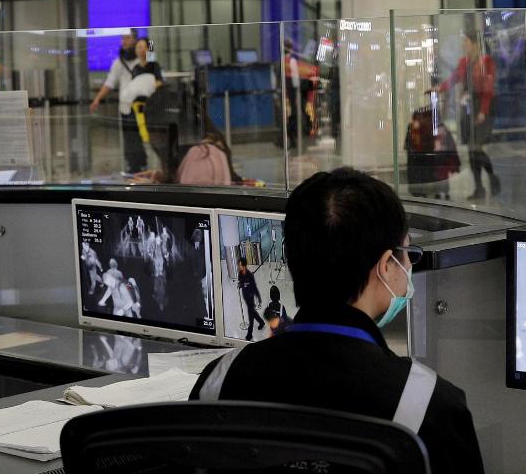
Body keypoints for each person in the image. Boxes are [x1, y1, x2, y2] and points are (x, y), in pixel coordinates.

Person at [190, 168, 485, 474]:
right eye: (407, 253)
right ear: (385, 265)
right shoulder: (428, 406)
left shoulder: (219, 382)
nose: (409, 265)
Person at [433, 25, 499, 201]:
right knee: (471, 150)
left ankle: (492, 178)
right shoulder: (464, 62)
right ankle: (479, 187)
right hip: (468, 109)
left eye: (466, 42)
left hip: (483, 108)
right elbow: (454, 78)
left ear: (475, 44)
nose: (464, 45)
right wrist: (439, 88)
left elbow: (488, 91)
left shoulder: (486, 62)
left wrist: (483, 112)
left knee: (476, 148)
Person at [90, 32, 147, 174]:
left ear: (135, 40)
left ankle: (144, 163)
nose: (124, 41)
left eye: (128, 38)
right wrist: (98, 98)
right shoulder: (119, 62)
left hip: (144, 106)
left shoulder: (143, 59)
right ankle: (133, 166)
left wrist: (148, 41)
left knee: (145, 135)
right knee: (129, 137)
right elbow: (109, 83)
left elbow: (152, 54)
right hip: (127, 106)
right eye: (122, 38)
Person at [237, 258, 265, 341]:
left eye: (241, 265)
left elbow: (254, 287)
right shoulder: (240, 273)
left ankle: (249, 334)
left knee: (250, 316)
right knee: (253, 312)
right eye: (239, 265)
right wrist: (241, 284)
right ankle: (261, 322)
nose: (240, 266)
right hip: (245, 296)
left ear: (245, 266)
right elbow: (241, 282)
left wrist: (259, 297)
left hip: (250, 297)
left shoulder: (250, 275)